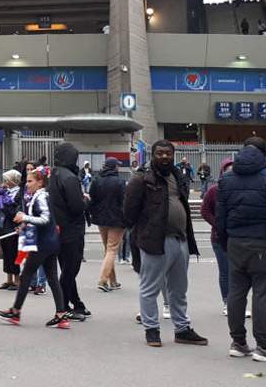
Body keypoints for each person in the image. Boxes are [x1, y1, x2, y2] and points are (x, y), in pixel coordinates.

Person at [215, 136, 266, 363]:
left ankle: (238, 342)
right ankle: (264, 346)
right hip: (264, 243)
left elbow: (221, 217)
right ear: (265, 154)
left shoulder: (227, 178)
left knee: (236, 292)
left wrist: (225, 242)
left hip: (236, 242)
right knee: (263, 294)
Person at [124, 140, 206, 348]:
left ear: (173, 155)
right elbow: (129, 213)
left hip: (180, 239)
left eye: (168, 153)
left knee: (179, 288)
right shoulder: (141, 178)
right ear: (152, 155)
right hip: (154, 241)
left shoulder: (177, 176)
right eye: (160, 153)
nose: (164, 157)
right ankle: (151, 329)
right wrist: (144, 233)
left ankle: (182, 329)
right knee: (150, 287)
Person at [0, 166, 69, 329]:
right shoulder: (41, 196)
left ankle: (16, 311)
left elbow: (45, 219)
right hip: (50, 243)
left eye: (30, 181)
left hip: (42, 244)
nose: (27, 184)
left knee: (26, 275)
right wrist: (25, 225)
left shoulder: (40, 197)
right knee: (52, 278)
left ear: (40, 182)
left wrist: (24, 217)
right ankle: (61, 314)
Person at [48, 143, 90, 321]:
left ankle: (76, 302)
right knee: (71, 269)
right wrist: (86, 200)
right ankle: (64, 306)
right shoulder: (70, 178)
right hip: (72, 229)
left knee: (66, 267)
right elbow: (76, 206)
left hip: (58, 228)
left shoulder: (54, 174)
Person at [198, 158, 234, 313]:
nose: (231, 173)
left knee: (239, 272)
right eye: (228, 170)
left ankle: (238, 302)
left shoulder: (240, 189)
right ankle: (227, 301)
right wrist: (218, 224)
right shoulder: (214, 190)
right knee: (225, 271)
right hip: (219, 238)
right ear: (222, 172)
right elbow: (204, 211)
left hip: (238, 237)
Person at [87, 157, 126, 293]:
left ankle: (113, 281)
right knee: (112, 249)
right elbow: (124, 201)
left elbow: (92, 199)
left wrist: (93, 214)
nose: (118, 168)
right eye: (117, 166)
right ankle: (103, 280)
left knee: (108, 249)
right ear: (114, 167)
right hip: (117, 220)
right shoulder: (120, 182)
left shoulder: (97, 181)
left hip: (101, 219)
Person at [0, 170, 23, 291]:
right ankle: (9, 279)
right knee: (6, 252)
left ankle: (17, 280)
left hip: (13, 226)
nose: (5, 182)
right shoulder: (6, 192)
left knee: (14, 253)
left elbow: (15, 210)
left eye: (7, 180)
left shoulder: (19, 193)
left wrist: (3, 203)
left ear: (13, 181)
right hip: (4, 225)